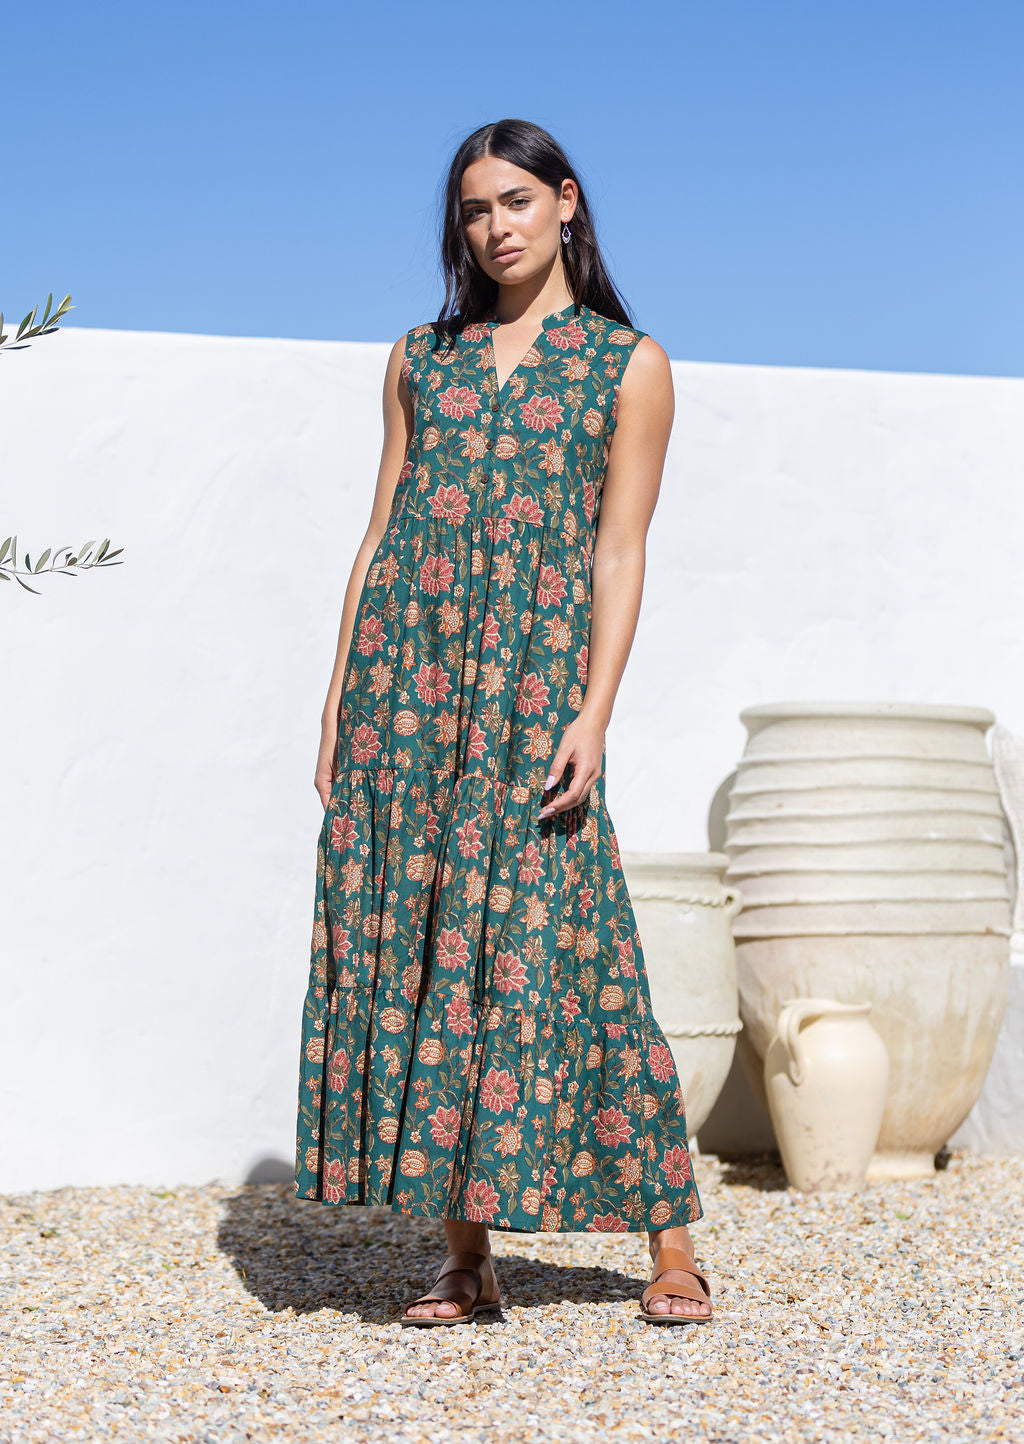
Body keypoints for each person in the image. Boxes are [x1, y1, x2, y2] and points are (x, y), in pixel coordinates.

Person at [294, 117, 713, 1328]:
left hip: (535, 688)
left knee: (575, 940)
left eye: (518, 201)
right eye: (476, 209)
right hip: (404, 692)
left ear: (567, 204)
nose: (496, 227)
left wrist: (594, 708)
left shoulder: (627, 363)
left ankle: (671, 1243)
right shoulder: (420, 358)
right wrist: (337, 703)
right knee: (434, 946)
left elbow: (619, 549)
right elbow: (380, 535)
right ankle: (464, 1260)